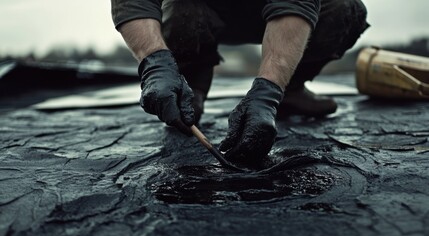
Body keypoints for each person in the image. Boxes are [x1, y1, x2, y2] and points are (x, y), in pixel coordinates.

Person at [110, 0, 368, 165]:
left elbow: (295, 5)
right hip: (200, 8)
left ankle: (290, 89)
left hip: (269, 10)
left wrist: (269, 90)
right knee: (181, 10)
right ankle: (188, 87)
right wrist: (155, 62)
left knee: (346, 10)